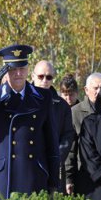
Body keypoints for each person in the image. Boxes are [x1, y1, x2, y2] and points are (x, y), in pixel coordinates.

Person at [0, 44, 60, 200]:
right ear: (4, 71)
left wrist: (53, 183)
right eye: (12, 69)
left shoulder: (43, 97)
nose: (18, 73)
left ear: (28, 69)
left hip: (33, 175)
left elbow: (51, 142)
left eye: (22, 68)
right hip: (2, 177)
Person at [32, 60, 74, 192]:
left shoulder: (62, 106)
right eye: (41, 76)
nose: (45, 80)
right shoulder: (22, 100)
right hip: (27, 164)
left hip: (52, 167)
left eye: (49, 77)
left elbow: (67, 136)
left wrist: (54, 157)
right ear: (32, 76)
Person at [65, 72, 101, 194]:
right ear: (86, 90)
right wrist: (69, 178)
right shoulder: (75, 113)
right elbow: (70, 150)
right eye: (96, 88)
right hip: (84, 175)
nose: (99, 91)